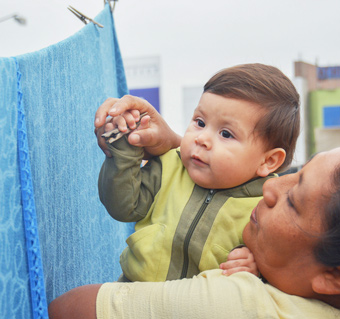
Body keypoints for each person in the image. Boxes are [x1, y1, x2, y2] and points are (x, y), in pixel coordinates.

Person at [48, 140, 340, 319]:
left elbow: (66, 309)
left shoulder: (240, 304)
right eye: (297, 171)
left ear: (338, 275)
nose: (271, 187)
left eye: (294, 200)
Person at [96, 63, 300, 282]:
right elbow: (122, 206)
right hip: (135, 295)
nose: (201, 138)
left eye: (226, 134)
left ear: (268, 161)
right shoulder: (169, 166)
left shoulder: (267, 208)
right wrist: (125, 149)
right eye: (200, 122)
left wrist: (256, 268)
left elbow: (285, 272)